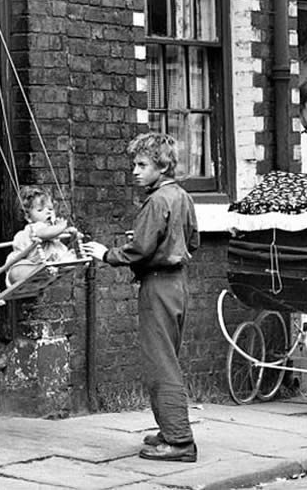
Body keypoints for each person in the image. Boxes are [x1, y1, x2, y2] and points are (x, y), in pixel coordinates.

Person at [83, 132, 199, 463]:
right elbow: (193, 242)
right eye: (134, 163)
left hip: (158, 286)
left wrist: (107, 254)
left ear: (161, 166)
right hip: (177, 284)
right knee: (169, 358)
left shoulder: (156, 201)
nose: (134, 170)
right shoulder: (181, 196)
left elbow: (139, 249)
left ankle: (179, 441)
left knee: (160, 364)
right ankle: (170, 429)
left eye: (141, 164)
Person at [5, 185, 78, 285]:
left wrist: (67, 232)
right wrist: (62, 226)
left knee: (70, 259)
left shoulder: (52, 229)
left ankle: (50, 269)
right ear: (28, 216)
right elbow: (44, 233)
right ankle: (43, 270)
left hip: (47, 262)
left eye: (50, 209)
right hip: (28, 262)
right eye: (40, 210)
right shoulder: (35, 227)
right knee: (15, 274)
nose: (48, 212)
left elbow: (54, 234)